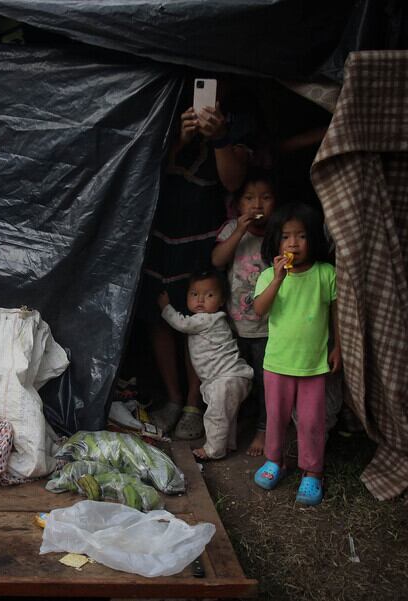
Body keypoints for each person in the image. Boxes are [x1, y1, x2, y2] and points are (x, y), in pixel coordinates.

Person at [144, 87, 259, 440]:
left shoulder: (239, 122)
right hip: (158, 234)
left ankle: (195, 402)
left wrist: (220, 137)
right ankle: (175, 398)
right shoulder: (162, 109)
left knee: (200, 316)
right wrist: (177, 139)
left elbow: (233, 181)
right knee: (159, 317)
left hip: (201, 237)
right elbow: (143, 169)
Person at [251, 203, 341, 506]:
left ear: (313, 239)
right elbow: (259, 311)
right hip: (277, 363)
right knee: (276, 417)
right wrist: (277, 280)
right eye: (286, 236)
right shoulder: (268, 276)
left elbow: (335, 314)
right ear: (275, 242)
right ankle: (273, 461)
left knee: (312, 421)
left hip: (313, 366)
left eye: (301, 236)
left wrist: (337, 346)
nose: (293, 243)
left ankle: (312, 472)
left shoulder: (326, 274)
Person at [211, 168, 277, 456]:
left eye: (265, 197)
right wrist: (239, 230)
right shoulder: (230, 230)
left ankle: (264, 428)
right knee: (237, 378)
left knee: (266, 383)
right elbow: (217, 259)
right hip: (236, 325)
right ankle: (235, 424)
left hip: (269, 327)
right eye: (249, 198)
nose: (257, 205)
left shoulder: (279, 232)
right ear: (238, 204)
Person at [157, 272, 253, 460]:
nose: (200, 300)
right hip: (235, 377)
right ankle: (228, 444)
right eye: (194, 294)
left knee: (216, 417)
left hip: (223, 379)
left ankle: (212, 450)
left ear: (221, 300)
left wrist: (165, 306)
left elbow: (180, 323)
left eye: (209, 295)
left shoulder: (206, 319)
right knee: (227, 414)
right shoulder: (219, 320)